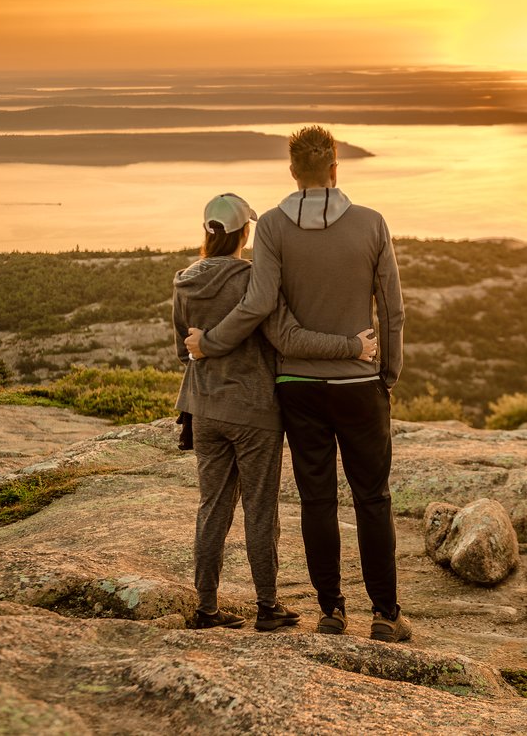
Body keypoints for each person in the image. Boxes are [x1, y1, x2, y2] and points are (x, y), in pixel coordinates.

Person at [185, 126, 409, 643]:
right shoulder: (372, 224)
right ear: (335, 168)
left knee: (317, 501)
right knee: (372, 499)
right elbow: (392, 312)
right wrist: (386, 375)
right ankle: (385, 614)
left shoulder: (273, 229)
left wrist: (210, 343)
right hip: (360, 383)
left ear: (292, 172)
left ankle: (331, 611)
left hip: (297, 386)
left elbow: (259, 305)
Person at [173, 191, 377, 632]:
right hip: (254, 412)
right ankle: (267, 606)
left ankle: (206, 607)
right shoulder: (253, 280)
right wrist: (352, 348)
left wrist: (207, 347)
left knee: (212, 508)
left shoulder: (184, 280)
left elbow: (183, 350)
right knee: (260, 511)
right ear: (245, 233)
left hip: (204, 409)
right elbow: (286, 337)